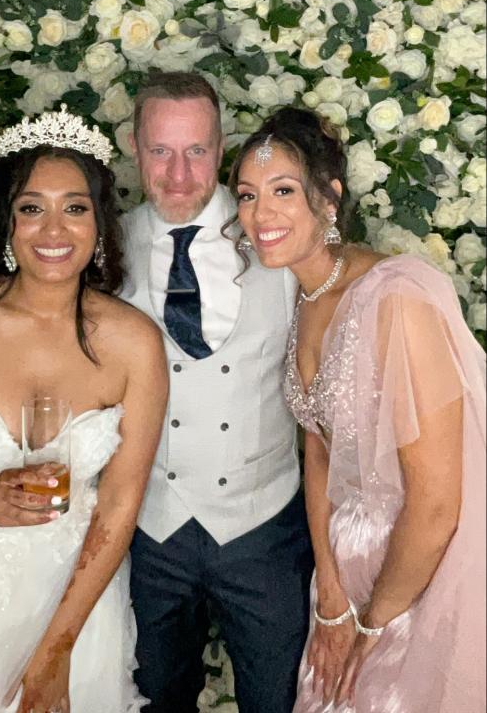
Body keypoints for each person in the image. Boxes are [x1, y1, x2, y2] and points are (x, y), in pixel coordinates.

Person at [232, 105, 486, 713]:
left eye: (283, 191)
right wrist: (330, 592)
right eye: (246, 195)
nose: (260, 215)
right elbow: (319, 451)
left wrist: (376, 623)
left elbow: (437, 504)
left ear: (329, 199)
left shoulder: (398, 297)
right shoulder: (302, 296)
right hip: (347, 573)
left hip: (420, 575)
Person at [0, 105, 168, 713]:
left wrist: (56, 653)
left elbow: (120, 503)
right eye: (33, 208)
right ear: (8, 222)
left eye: (74, 208)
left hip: (75, 608)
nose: (53, 230)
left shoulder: (134, 343)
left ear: (99, 225)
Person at [120, 72, 314, 713]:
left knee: (278, 700)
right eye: (160, 151)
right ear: (133, 148)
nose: (178, 175)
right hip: (148, 528)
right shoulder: (101, 243)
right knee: (152, 697)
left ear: (222, 148)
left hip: (265, 527)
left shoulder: (277, 227)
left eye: (196, 151)